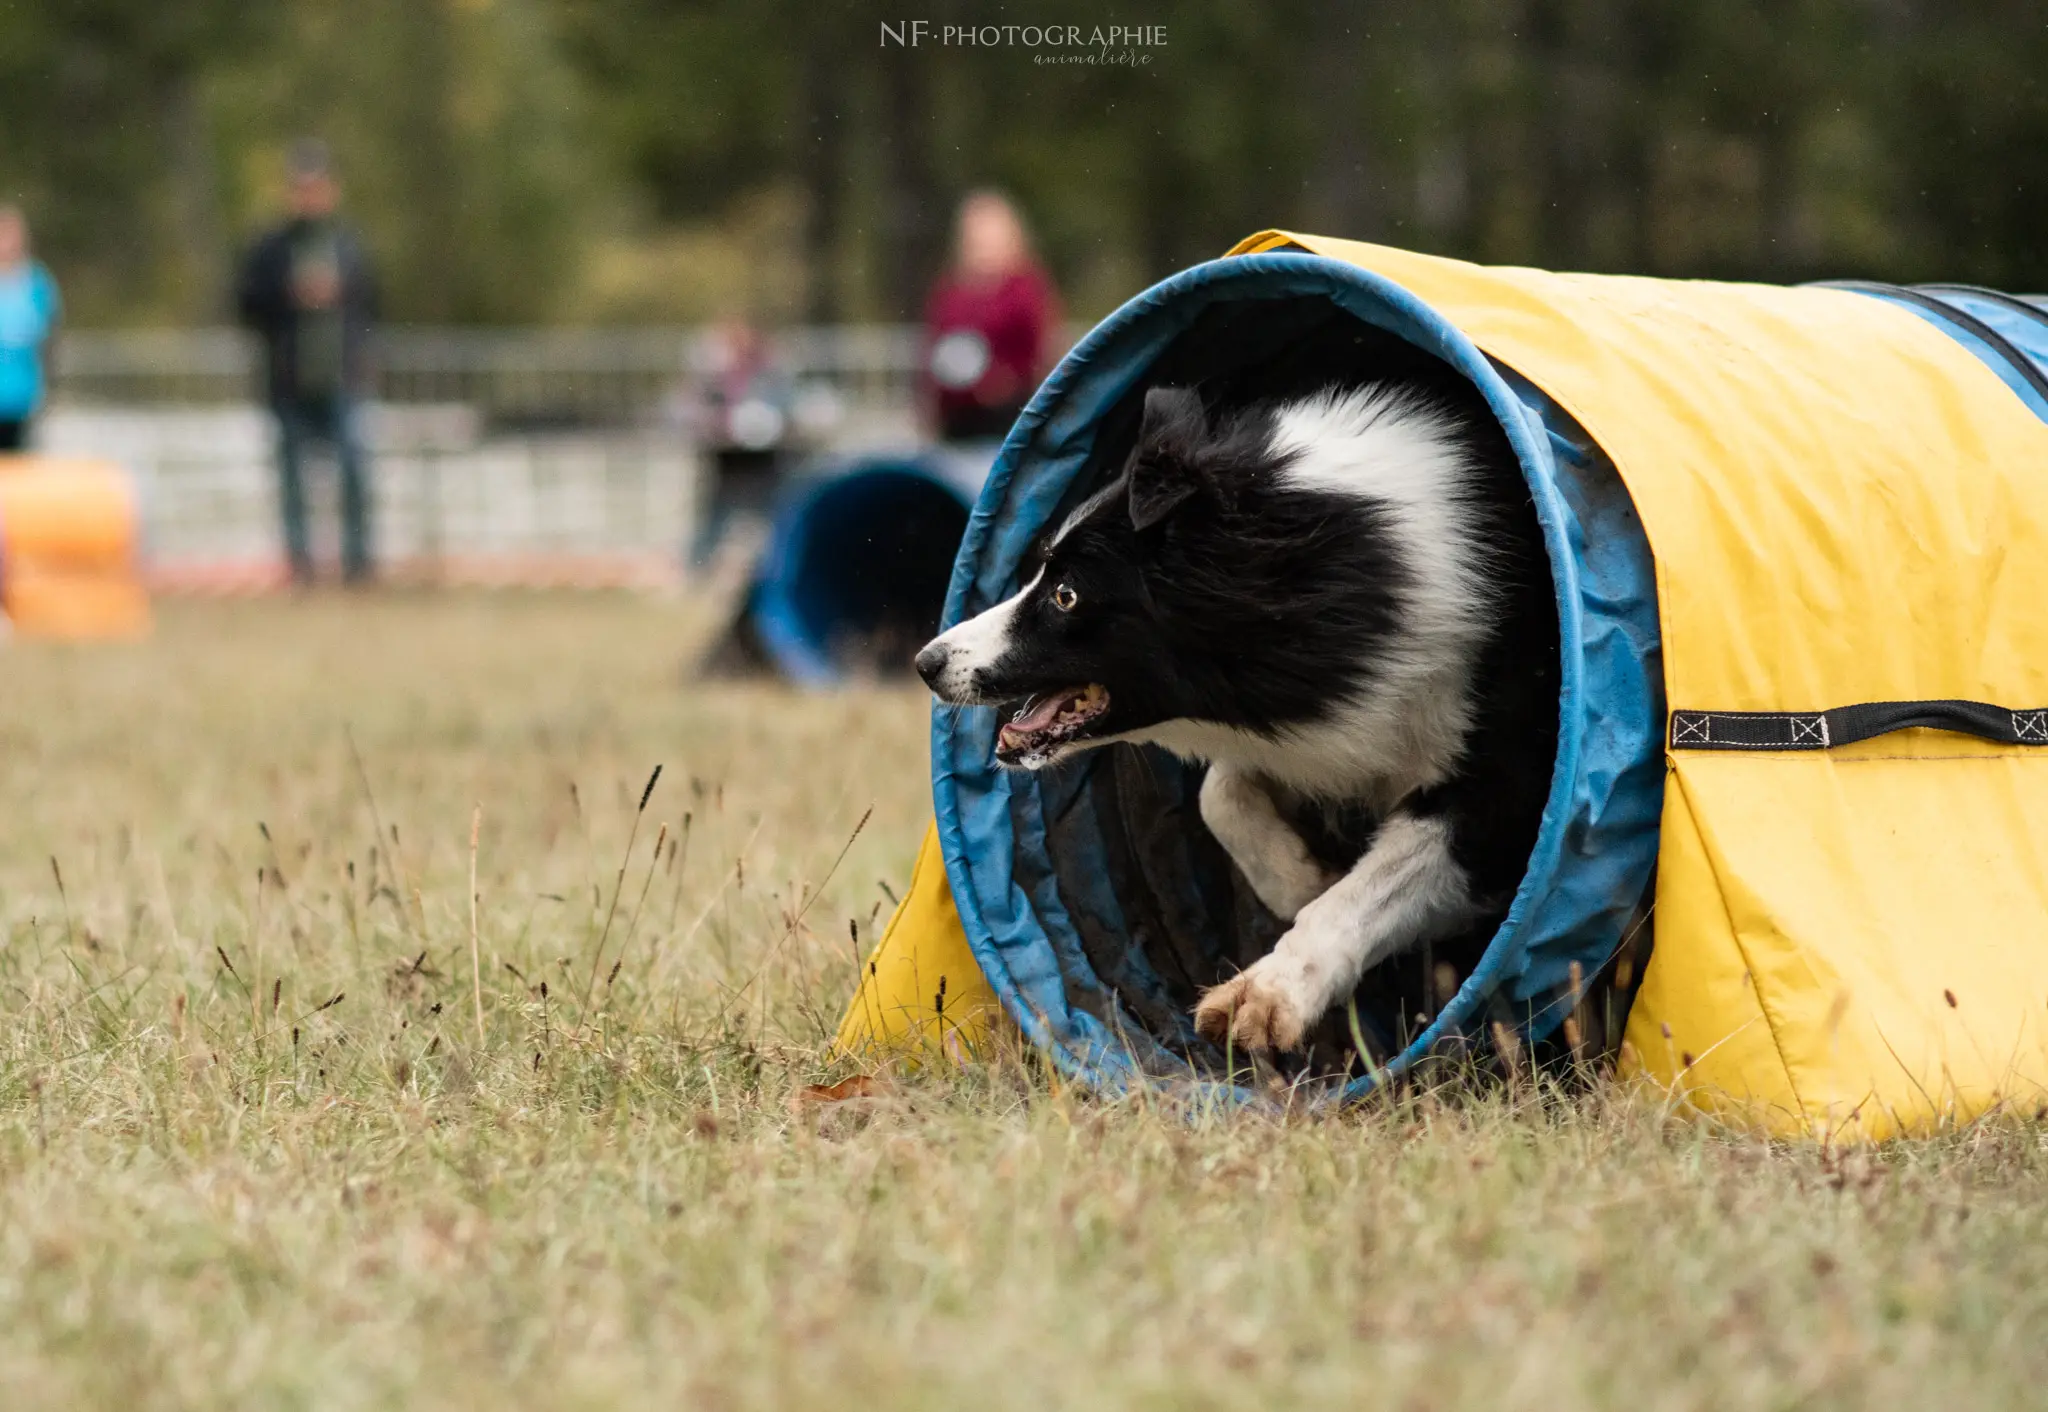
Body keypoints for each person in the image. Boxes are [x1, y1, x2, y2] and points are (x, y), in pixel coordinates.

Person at [235, 140, 379, 583]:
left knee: (354, 468)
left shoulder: (348, 245)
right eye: (301, 187)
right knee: (293, 479)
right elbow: (245, 303)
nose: (308, 196)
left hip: (342, 378)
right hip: (289, 380)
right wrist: (289, 294)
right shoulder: (271, 248)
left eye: (315, 187)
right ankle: (301, 568)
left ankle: (358, 565)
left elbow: (373, 306)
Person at [920, 191, 1060, 444]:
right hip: (957, 417)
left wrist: (1002, 383)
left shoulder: (1025, 288)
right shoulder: (952, 289)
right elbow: (935, 348)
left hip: (1011, 414)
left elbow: (1040, 352)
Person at [0, 205, 62, 453]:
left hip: (23, 399)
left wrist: (51, 391)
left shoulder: (37, 282)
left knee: (19, 471)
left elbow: (50, 341)